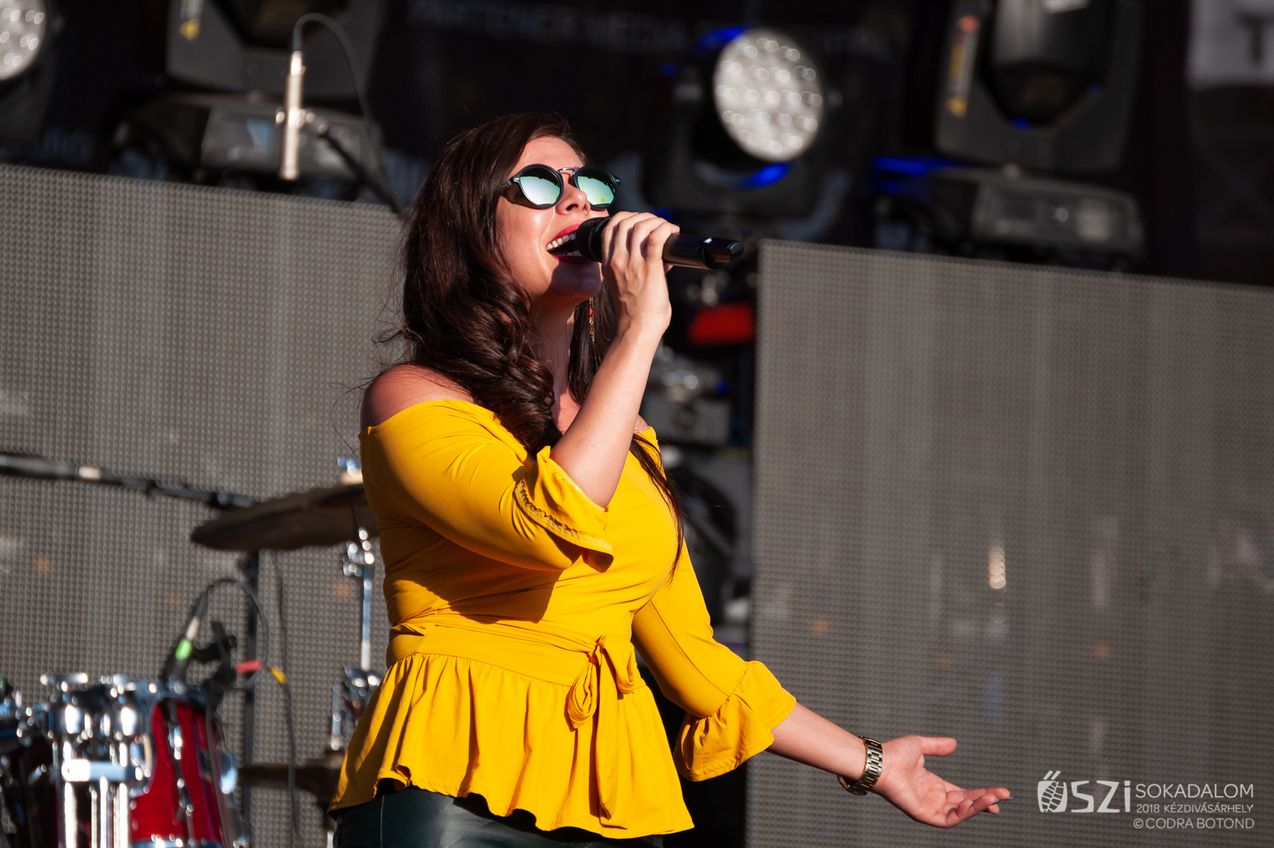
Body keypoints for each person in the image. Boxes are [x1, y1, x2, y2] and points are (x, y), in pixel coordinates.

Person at [329, 113, 1010, 847]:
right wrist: (641, 330)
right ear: (469, 228)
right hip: (454, 780)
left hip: (608, 791)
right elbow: (547, 525)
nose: (577, 201)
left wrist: (874, 763)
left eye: (590, 185)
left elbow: (696, 663)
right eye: (538, 185)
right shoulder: (417, 396)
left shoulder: (626, 440)